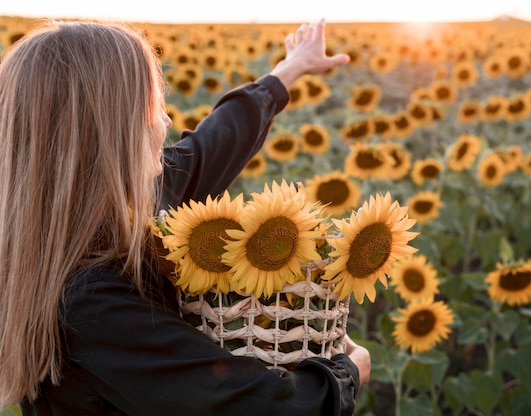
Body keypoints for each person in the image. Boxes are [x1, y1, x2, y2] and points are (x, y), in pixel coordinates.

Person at [0, 18, 370, 416]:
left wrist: (287, 71)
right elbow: (255, 407)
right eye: (153, 107)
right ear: (113, 132)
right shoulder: (93, 305)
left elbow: (215, 142)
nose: (167, 123)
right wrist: (347, 374)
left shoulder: (98, 217)